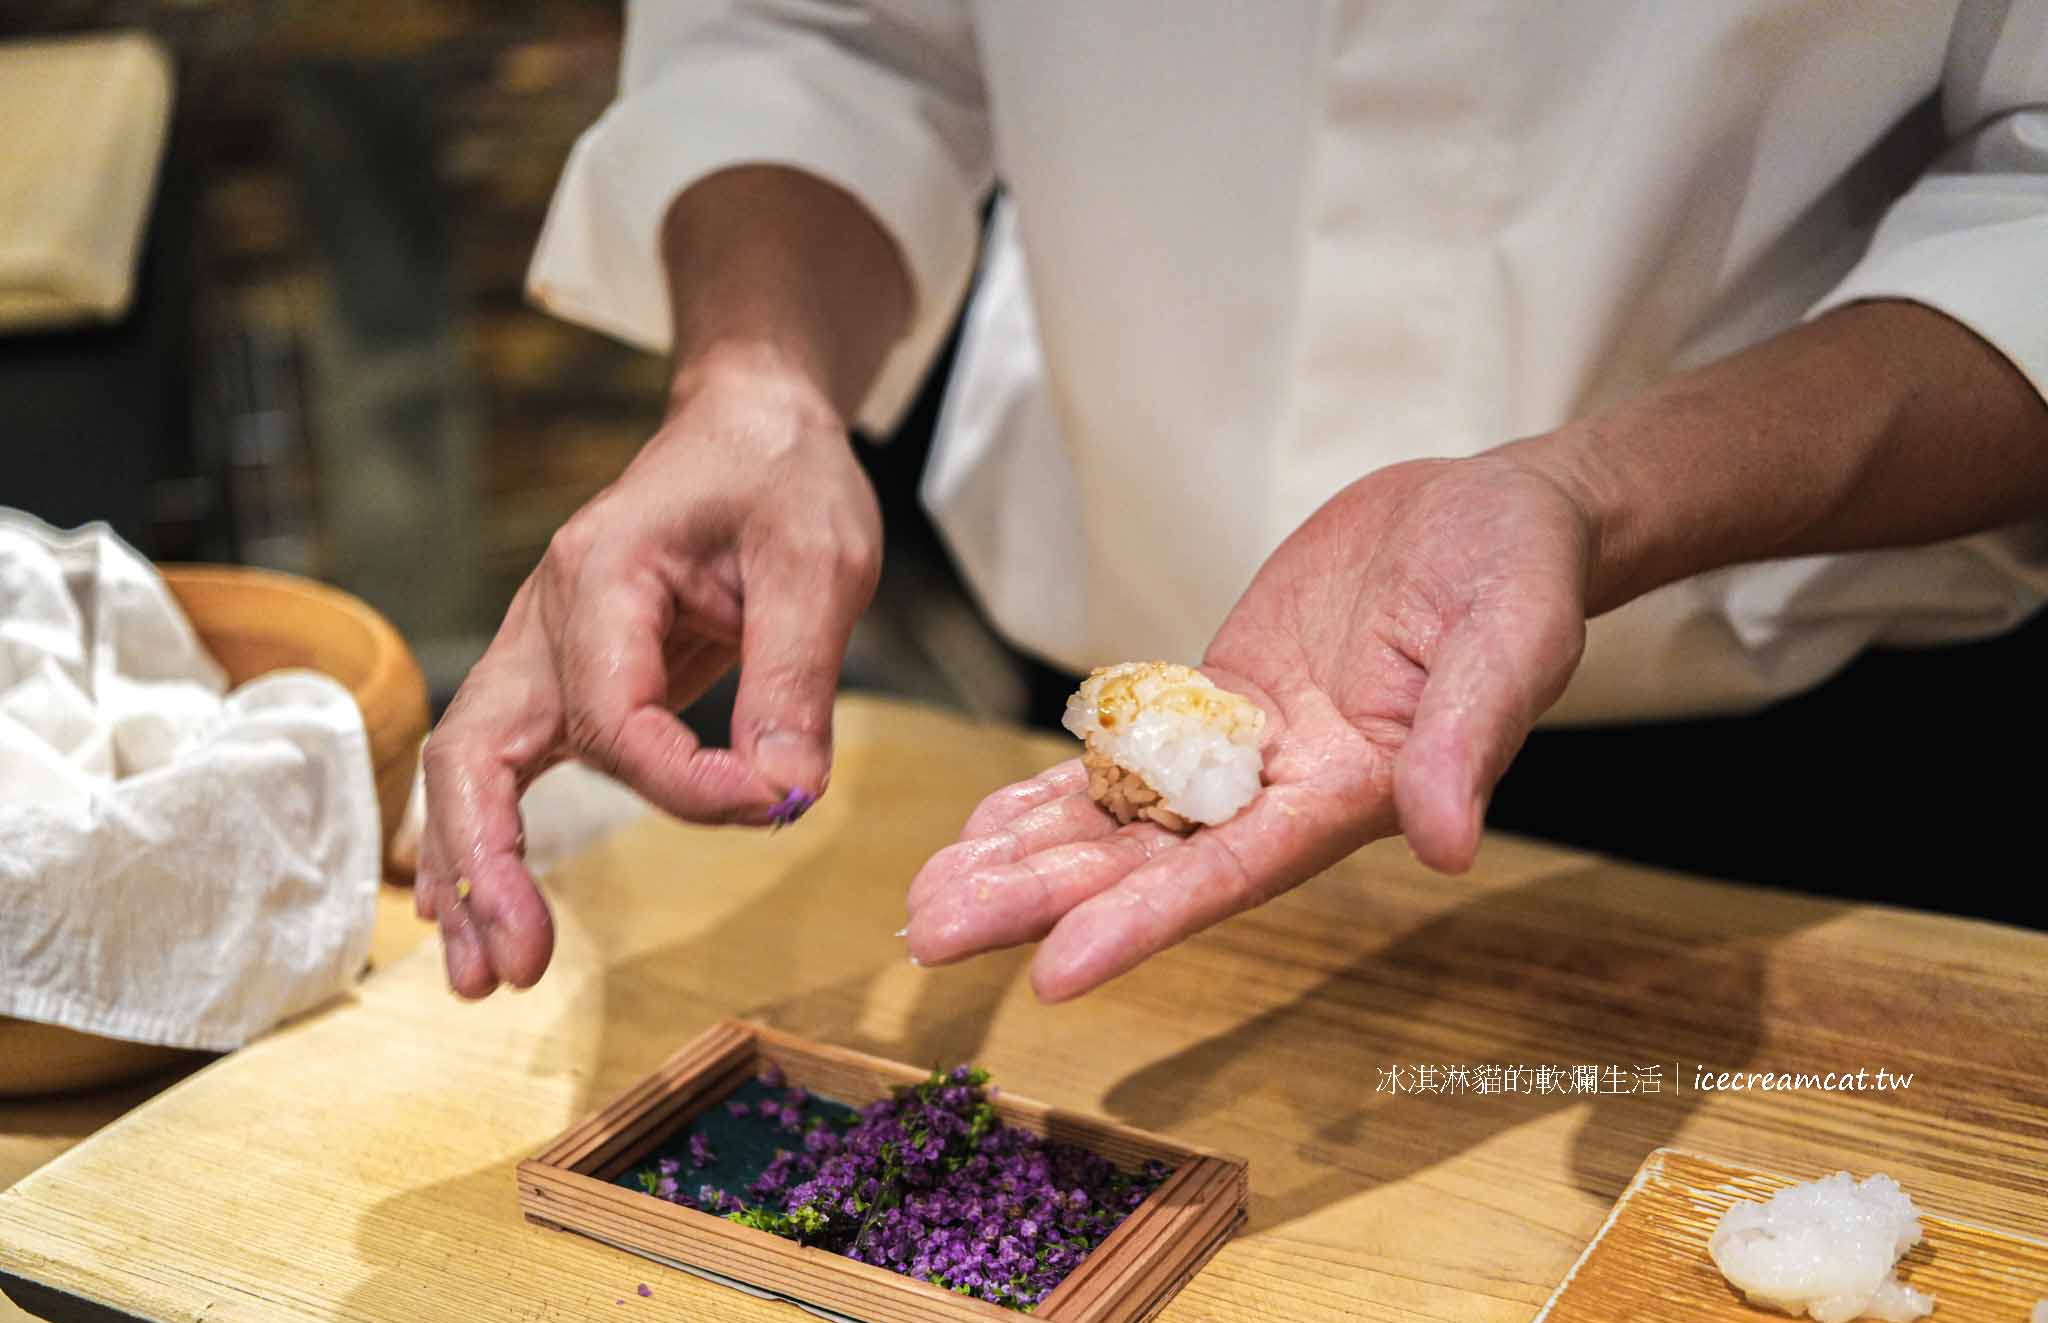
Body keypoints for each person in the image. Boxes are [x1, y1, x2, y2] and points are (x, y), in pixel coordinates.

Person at [417, 3, 2048, 1002]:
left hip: (1812, 764)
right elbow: (819, 30)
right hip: (1075, 655)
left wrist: (1594, 494)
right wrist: (753, 382)